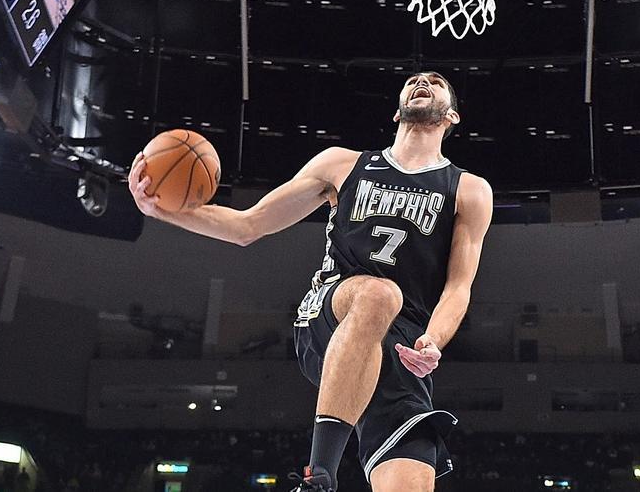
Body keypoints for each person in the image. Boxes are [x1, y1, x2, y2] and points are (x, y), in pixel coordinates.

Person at [128, 72, 493, 492]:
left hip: (402, 348)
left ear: (452, 115)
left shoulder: (469, 190)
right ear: (397, 111)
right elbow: (249, 226)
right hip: (330, 314)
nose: (422, 81)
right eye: (413, 79)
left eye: (435, 80)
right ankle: (319, 475)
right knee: (379, 292)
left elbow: (458, 287)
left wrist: (434, 339)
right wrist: (161, 211)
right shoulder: (342, 164)